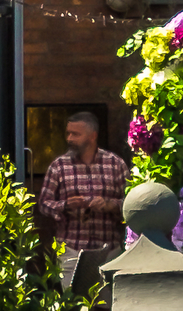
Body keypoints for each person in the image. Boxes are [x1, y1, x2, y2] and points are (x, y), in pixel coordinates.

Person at [36, 107, 127, 256]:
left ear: (92, 136)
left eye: (75, 134)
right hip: (70, 249)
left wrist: (109, 205)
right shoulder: (58, 166)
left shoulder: (115, 164)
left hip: (108, 251)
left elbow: (130, 203)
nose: (69, 139)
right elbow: (44, 204)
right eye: (68, 133)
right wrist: (65, 205)